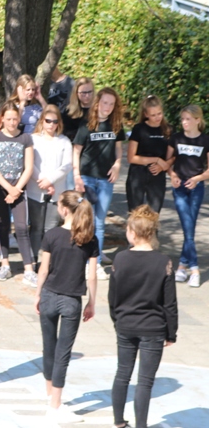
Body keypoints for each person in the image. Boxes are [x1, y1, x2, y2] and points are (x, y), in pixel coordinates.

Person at [110, 206, 179, 428]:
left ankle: (119, 422)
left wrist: (117, 320)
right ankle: (141, 425)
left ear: (133, 232)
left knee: (122, 374)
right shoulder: (163, 262)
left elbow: (113, 297)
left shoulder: (120, 259)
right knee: (145, 382)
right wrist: (171, 332)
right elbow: (169, 303)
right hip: (153, 327)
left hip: (125, 324)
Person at [34, 191, 99, 423]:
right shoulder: (89, 239)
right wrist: (92, 302)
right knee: (63, 353)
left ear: (63, 210)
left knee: (49, 347)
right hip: (72, 300)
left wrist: (37, 293)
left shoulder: (52, 235)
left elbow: (43, 269)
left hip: (50, 295)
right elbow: (92, 276)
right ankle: (55, 404)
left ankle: (49, 394)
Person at [73, 86, 125, 279]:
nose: (107, 107)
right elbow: (76, 151)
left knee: (100, 222)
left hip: (106, 180)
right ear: (97, 103)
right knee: (88, 221)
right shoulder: (86, 123)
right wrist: (77, 176)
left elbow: (118, 148)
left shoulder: (116, 124)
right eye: (104, 102)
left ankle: (95, 265)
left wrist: (118, 164)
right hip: (87, 177)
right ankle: (83, 259)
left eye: (111, 104)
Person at [0, 102, 37, 286]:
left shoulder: (25, 138)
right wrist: (9, 189)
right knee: (3, 225)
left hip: (19, 188)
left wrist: (16, 190)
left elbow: (29, 167)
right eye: (8, 119)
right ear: (2, 118)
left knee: (22, 227)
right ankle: (5, 264)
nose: (12, 122)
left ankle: (28, 269)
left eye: (15, 119)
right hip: (0, 187)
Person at [166, 104, 209, 289]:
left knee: (188, 228)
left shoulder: (205, 140)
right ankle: (195, 269)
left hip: (196, 187)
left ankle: (182, 266)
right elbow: (167, 163)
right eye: (182, 119)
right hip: (180, 188)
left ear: (198, 120)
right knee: (187, 226)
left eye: (188, 119)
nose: (184, 122)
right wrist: (173, 175)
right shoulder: (176, 138)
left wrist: (197, 179)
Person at [26, 105, 74, 266]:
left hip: (57, 190)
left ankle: (49, 263)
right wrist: (42, 180)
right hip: (35, 189)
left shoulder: (64, 141)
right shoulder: (33, 139)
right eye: (48, 121)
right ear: (42, 121)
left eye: (55, 121)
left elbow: (67, 165)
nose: (51, 124)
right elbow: (29, 163)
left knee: (51, 228)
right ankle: (33, 261)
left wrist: (50, 180)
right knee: (36, 228)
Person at [126, 95, 171, 213]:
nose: (157, 117)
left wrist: (163, 166)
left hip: (157, 174)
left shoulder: (168, 129)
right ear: (146, 114)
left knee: (154, 213)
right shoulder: (139, 129)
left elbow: (173, 156)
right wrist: (156, 159)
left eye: (159, 114)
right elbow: (131, 158)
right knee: (135, 213)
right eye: (153, 115)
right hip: (138, 174)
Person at [60, 77, 94, 142]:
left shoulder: (99, 110)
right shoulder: (68, 112)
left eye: (90, 92)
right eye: (83, 93)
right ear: (76, 93)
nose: (87, 96)